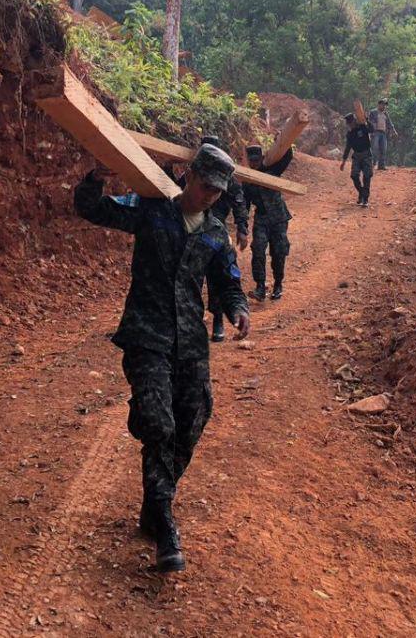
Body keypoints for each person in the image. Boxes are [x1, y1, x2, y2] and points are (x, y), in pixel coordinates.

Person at [73, 144, 249, 573]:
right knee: (158, 423)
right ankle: (165, 524)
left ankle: (154, 504)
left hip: (190, 342)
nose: (210, 196)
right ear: (190, 176)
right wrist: (95, 178)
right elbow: (93, 210)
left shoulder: (215, 233)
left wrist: (238, 308)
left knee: (193, 419)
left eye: (218, 191)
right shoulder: (151, 209)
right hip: (147, 335)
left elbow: (228, 282)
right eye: (206, 186)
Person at [200, 136, 249, 341]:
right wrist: (167, 166)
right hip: (189, 224)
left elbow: (239, 202)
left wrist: (242, 228)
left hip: (214, 231)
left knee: (217, 275)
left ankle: (218, 318)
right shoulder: (194, 173)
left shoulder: (228, 179)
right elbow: (170, 189)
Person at [242, 144, 294, 302]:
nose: (254, 164)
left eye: (257, 160)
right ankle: (260, 287)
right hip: (262, 219)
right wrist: (242, 226)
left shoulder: (273, 170)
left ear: (262, 158)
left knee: (278, 252)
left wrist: (284, 143)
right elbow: (245, 205)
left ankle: (278, 285)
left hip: (279, 218)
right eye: (252, 161)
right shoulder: (247, 180)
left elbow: (287, 157)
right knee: (258, 249)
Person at [341, 112, 374, 207]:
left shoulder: (363, 127)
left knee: (367, 176)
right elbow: (348, 147)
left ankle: (365, 199)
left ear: (354, 121)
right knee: (354, 176)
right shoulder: (350, 134)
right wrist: (343, 161)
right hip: (356, 156)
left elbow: (372, 129)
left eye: (351, 123)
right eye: (348, 123)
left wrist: (367, 120)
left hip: (366, 154)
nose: (350, 125)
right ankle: (362, 193)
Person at [367, 99, 398, 170]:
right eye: (383, 105)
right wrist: (371, 130)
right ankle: (373, 163)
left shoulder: (385, 113)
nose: (384, 106)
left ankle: (381, 165)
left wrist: (394, 131)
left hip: (383, 133)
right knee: (375, 148)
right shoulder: (373, 112)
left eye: (385, 105)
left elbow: (390, 123)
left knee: (383, 149)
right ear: (379, 105)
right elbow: (369, 122)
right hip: (375, 132)